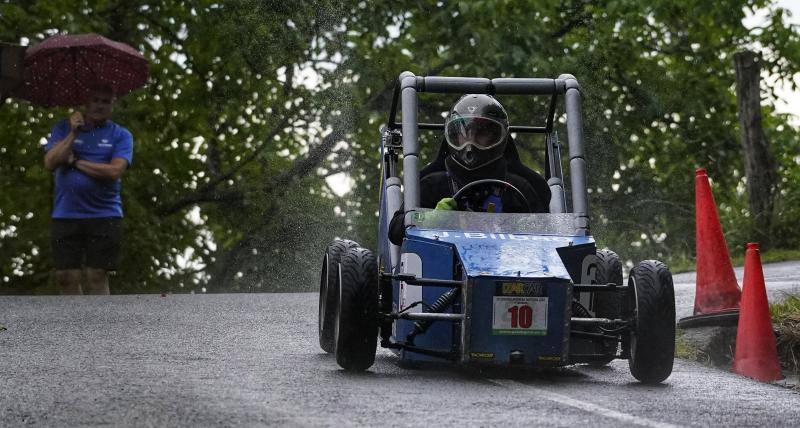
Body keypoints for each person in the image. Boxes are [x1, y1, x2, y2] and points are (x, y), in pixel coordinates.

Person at [389, 94, 549, 245]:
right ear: (452, 136)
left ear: (498, 137)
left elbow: (550, 236)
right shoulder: (433, 184)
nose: (470, 143)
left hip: (510, 269)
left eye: (481, 133)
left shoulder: (519, 188)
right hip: (439, 271)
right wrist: (430, 220)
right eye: (463, 133)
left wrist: (525, 227)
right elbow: (395, 232)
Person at [42, 83, 134, 295]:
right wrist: (73, 133)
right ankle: (76, 325)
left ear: (113, 105)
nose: (99, 106)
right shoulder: (63, 128)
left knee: (97, 274)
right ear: (86, 102)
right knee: (65, 277)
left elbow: (113, 171)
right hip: (65, 213)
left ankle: (102, 325)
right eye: (95, 100)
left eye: (105, 102)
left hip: (105, 214)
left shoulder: (121, 135)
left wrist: (75, 162)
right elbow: (50, 162)